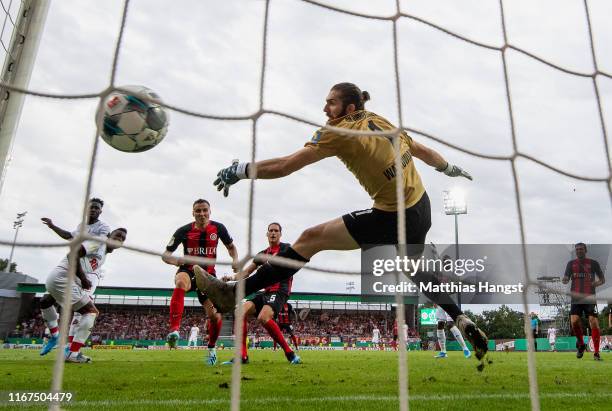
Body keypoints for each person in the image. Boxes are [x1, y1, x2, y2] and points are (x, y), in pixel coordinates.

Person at [198, 82, 488, 361]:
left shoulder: (338, 130)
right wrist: (448, 168)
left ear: (349, 107)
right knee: (413, 268)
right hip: (422, 208)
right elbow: (422, 151)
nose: (325, 108)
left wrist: (240, 170)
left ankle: (231, 293)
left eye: (331, 102)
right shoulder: (382, 120)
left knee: (310, 239)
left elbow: (286, 166)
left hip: (391, 216)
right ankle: (459, 317)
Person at [162, 198, 239, 366]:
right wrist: (177, 262)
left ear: (210, 212)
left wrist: (235, 260)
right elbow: (165, 255)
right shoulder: (183, 231)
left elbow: (231, 247)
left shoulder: (218, 228)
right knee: (181, 282)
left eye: (205, 210)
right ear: (193, 213)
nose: (202, 214)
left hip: (208, 276)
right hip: (188, 271)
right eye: (198, 211)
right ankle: (174, 331)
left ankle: (211, 348)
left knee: (214, 317)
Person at [39, 228, 127, 362]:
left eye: (122, 238)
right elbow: (72, 254)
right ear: (109, 236)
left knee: (45, 301)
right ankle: (72, 353)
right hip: (63, 278)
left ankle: (55, 336)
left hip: (61, 279)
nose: (119, 239)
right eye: (117, 236)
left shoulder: (102, 254)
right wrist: (84, 280)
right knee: (90, 312)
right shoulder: (99, 243)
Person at [218, 222, 301, 365]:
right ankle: (242, 356)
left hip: (280, 290)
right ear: (267, 234)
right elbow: (247, 272)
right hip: (265, 292)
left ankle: (290, 354)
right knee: (239, 312)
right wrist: (231, 278)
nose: (273, 233)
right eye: (271, 231)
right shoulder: (261, 254)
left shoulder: (286, 248)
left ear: (280, 234)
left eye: (276, 231)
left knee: (263, 317)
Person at [41, 197, 111, 349]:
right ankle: (57, 338)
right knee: (45, 301)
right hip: (74, 267)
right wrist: (53, 226)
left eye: (96, 208)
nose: (93, 210)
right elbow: (69, 236)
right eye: (91, 207)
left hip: (86, 270)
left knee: (85, 311)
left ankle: (71, 348)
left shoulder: (103, 228)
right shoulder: (82, 226)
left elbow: (99, 244)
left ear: (100, 211)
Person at [563, 242, 605, 361]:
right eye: (577, 249)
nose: (579, 251)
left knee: (593, 322)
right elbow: (566, 278)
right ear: (575, 251)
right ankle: (581, 344)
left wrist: (595, 283)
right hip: (576, 297)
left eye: (581, 249)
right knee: (574, 321)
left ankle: (596, 353)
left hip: (590, 297)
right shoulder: (570, 264)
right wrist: (565, 280)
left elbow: (602, 279)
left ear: (585, 250)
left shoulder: (593, 263)